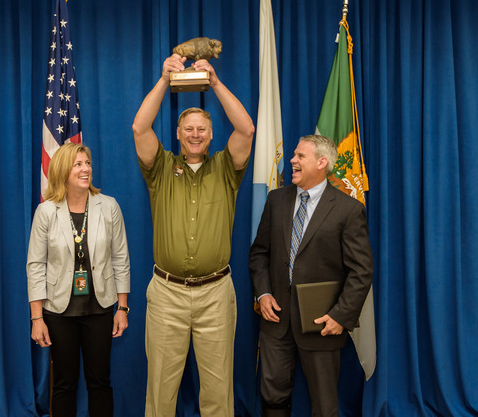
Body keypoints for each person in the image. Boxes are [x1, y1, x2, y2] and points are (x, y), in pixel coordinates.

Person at [132, 54, 255, 416]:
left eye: (202, 128)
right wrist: (165, 78)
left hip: (216, 294)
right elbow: (140, 129)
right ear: (178, 134)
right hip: (167, 294)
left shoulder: (226, 169)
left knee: (218, 393)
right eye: (188, 129)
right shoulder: (161, 168)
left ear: (212, 134)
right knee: (160, 392)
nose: (196, 134)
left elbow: (247, 130)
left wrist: (214, 82)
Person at [249, 135, 374, 417]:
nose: (292, 160)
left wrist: (341, 316)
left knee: (324, 402)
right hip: (276, 320)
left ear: (322, 162)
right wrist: (263, 293)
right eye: (294, 155)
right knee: (272, 394)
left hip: (322, 323)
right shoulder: (276, 200)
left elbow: (361, 271)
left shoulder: (348, 210)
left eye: (300, 156)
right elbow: (259, 254)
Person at [26, 143, 130, 417]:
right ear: (63, 171)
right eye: (78, 164)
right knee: (63, 384)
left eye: (87, 163)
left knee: (100, 383)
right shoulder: (46, 212)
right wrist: (37, 319)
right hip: (59, 312)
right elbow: (35, 266)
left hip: (100, 309)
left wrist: (122, 307)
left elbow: (121, 259)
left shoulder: (109, 207)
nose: (86, 169)